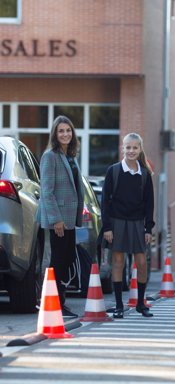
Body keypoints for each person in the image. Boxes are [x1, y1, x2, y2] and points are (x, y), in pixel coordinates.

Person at [101, 132, 155, 319]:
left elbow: (150, 203)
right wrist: (107, 227)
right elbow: (105, 202)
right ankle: (118, 306)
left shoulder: (145, 174)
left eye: (135, 147)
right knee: (118, 263)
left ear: (140, 149)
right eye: (128, 147)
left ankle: (141, 303)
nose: (131, 151)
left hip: (138, 224)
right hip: (116, 223)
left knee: (141, 263)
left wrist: (148, 228)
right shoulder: (113, 171)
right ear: (123, 148)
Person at [37, 115, 84, 319]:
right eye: (61, 131)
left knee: (67, 258)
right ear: (55, 135)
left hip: (70, 218)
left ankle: (59, 301)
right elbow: (46, 191)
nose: (65, 134)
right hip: (58, 219)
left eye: (68, 130)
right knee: (58, 260)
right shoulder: (50, 156)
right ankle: (54, 303)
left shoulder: (70, 156)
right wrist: (56, 219)